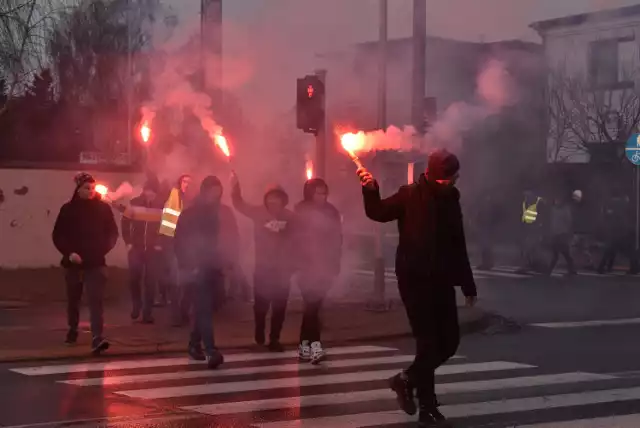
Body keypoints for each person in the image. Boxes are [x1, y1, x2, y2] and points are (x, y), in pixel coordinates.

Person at [358, 149, 477, 427]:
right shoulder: (409, 195)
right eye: (451, 176)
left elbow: (457, 244)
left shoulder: (451, 200)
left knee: (449, 342)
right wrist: (370, 190)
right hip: (415, 280)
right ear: (437, 176)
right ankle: (428, 407)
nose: (455, 179)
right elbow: (377, 212)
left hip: (442, 280)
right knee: (428, 344)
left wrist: (468, 284)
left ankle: (405, 380)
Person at [52, 172, 119, 355]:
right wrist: (70, 253)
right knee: (74, 299)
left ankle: (97, 337)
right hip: (73, 264)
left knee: (96, 301)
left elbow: (112, 233)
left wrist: (102, 250)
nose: (89, 191)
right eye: (86, 188)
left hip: (96, 263)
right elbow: (58, 235)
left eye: (91, 188)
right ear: (78, 189)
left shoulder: (103, 209)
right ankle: (73, 329)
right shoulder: (68, 209)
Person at [231, 172, 294, 352]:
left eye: (277, 199)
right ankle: (259, 330)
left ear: (283, 200)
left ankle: (274, 339)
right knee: (261, 304)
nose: (274, 202)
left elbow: (300, 239)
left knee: (280, 307)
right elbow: (239, 204)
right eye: (271, 198)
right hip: (263, 269)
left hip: (283, 270)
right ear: (266, 200)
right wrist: (235, 188)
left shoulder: (290, 218)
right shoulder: (258, 212)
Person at [174, 176, 225, 369]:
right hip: (195, 268)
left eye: (218, 193)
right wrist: (188, 264)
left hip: (211, 266)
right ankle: (211, 350)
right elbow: (180, 242)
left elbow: (216, 242)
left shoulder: (216, 213)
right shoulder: (190, 214)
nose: (215, 196)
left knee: (209, 307)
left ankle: (194, 344)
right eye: (212, 192)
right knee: (203, 308)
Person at [293, 178, 342, 364]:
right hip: (306, 267)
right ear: (309, 193)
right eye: (318, 193)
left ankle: (304, 345)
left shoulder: (331, 212)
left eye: (324, 193)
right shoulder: (300, 211)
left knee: (313, 307)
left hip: (325, 265)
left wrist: (335, 262)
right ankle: (315, 345)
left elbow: (338, 237)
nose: (322, 197)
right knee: (312, 305)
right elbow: (294, 239)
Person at [121, 180, 163, 323]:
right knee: (134, 279)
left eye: (153, 191)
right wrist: (128, 242)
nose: (150, 194)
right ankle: (136, 305)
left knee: (151, 281)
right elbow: (125, 222)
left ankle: (147, 313)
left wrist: (160, 243)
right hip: (136, 247)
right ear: (144, 191)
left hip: (153, 250)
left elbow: (169, 226)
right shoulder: (134, 203)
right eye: (147, 190)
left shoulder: (163, 205)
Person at [158, 174, 192, 326]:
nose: (187, 184)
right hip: (171, 241)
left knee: (184, 280)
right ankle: (176, 316)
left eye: (190, 182)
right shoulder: (174, 194)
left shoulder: (187, 198)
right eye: (185, 181)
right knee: (176, 279)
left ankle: (181, 314)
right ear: (179, 183)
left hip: (183, 242)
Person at [546, 195, 576, 276]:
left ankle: (549, 270)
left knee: (559, 254)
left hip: (562, 234)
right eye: (556, 200)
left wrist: (568, 232)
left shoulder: (565, 210)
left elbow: (569, 222)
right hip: (555, 234)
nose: (557, 202)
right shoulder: (553, 210)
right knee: (563, 253)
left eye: (558, 200)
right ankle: (572, 269)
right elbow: (551, 222)